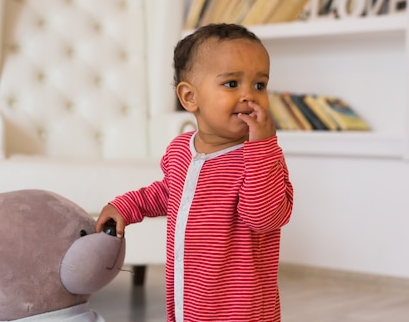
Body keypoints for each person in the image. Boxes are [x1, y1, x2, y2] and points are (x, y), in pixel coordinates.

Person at [96, 23, 294, 322]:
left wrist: (263, 147)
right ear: (190, 97)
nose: (249, 96)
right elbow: (168, 192)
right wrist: (128, 205)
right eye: (231, 84)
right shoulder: (180, 149)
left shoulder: (262, 159)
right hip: (190, 298)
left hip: (240, 310)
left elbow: (263, 217)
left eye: (259, 85)